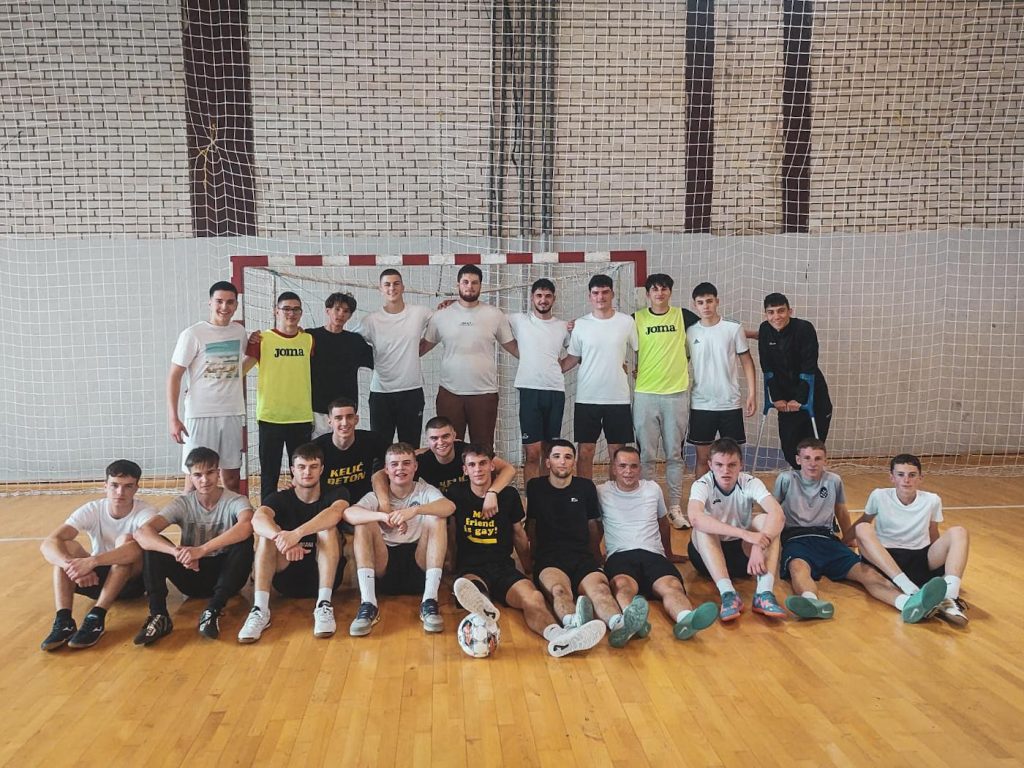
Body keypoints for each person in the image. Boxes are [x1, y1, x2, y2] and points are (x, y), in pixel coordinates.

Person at [448, 444, 607, 657]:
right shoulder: (456, 493)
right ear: (465, 470)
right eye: (472, 465)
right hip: (472, 567)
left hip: (503, 566)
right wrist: (450, 565)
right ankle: (483, 604)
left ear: (492, 466)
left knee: (534, 597)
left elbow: (519, 535)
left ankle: (559, 636)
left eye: (483, 463)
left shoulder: (508, 495)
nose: (478, 469)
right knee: (474, 591)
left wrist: (528, 568)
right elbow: (451, 533)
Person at [775, 440, 947, 624]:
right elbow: (773, 511)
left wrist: (847, 539)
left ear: (826, 460)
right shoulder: (786, 479)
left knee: (868, 573)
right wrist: (771, 544)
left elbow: (841, 511)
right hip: (796, 538)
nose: (812, 463)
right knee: (798, 568)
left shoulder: (834, 480)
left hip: (827, 538)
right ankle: (811, 601)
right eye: (807, 458)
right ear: (798, 460)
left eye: (818, 458)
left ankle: (906, 603)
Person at [526, 440, 645, 646]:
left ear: (574, 462)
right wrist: (533, 558)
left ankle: (619, 625)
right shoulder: (536, 487)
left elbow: (593, 525)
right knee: (559, 591)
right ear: (547, 462)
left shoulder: (585, 487)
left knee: (601, 590)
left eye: (568, 457)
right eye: (556, 457)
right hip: (550, 559)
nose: (562, 462)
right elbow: (532, 525)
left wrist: (596, 556)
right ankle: (573, 626)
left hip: (582, 556)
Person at [598, 446, 719, 644]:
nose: (628, 471)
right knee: (622, 586)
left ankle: (686, 619)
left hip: (653, 554)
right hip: (621, 555)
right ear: (614, 468)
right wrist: (596, 556)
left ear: (640, 468)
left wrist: (668, 553)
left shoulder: (652, 489)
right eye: (622, 466)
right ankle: (631, 621)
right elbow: (594, 525)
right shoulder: (602, 491)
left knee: (672, 586)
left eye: (633, 466)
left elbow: (663, 522)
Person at [133, 448, 254, 645]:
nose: (204, 480)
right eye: (198, 475)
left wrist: (201, 550)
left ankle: (213, 610)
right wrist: (177, 552)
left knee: (244, 541)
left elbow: (246, 526)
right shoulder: (183, 503)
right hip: (191, 573)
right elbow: (142, 533)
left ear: (218, 472)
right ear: (190, 477)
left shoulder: (235, 500)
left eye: (210, 473)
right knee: (153, 546)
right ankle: (159, 615)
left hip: (226, 575)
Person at [237, 443, 352, 643]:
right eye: (301, 467)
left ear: (321, 469)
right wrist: (281, 539)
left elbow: (335, 513)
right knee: (266, 536)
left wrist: (297, 534)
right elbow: (258, 518)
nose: (307, 472)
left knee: (328, 529)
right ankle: (260, 609)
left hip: (323, 574)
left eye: (313, 467)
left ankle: (324, 605)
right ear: (292, 470)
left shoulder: (337, 492)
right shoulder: (280, 498)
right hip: (287, 573)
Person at [39, 460, 157, 651]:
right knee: (66, 547)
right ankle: (64, 621)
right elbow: (49, 543)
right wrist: (72, 566)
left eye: (128, 486)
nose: (120, 492)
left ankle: (97, 617)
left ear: (136, 488)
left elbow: (136, 551)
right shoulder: (93, 509)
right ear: (105, 486)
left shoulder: (146, 512)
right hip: (92, 578)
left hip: (130, 583)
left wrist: (92, 562)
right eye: (115, 485)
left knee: (125, 543)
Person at [346, 443, 455, 636]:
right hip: (384, 566)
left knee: (437, 517)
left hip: (419, 563)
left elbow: (449, 506)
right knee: (363, 522)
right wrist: (382, 516)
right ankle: (368, 604)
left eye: (406, 463)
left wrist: (415, 510)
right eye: (394, 464)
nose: (400, 469)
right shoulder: (376, 496)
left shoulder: (424, 490)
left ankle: (430, 600)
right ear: (386, 470)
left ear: (415, 466)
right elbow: (349, 514)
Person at [853, 454, 970, 626]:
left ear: (920, 478)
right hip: (886, 558)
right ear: (892, 477)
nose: (906, 480)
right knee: (862, 528)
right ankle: (909, 588)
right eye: (900, 474)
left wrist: (943, 565)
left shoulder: (932, 500)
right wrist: (843, 542)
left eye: (912, 475)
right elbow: (864, 520)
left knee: (959, 532)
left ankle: (950, 597)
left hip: (919, 557)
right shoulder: (879, 495)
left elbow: (933, 533)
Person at [686, 438, 787, 621]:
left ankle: (764, 594)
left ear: (741, 465)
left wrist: (759, 544)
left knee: (766, 520)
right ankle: (728, 594)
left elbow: (778, 514)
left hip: (743, 556)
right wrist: (746, 534)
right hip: (706, 557)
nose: (725, 470)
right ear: (710, 465)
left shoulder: (749, 482)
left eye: (732, 465)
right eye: (719, 465)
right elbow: (695, 518)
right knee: (702, 527)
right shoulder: (702, 484)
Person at [420, 264, 517, 451]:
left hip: (484, 393)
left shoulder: (495, 315)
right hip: (450, 393)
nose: (470, 286)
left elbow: (513, 347)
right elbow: (423, 347)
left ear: (481, 285)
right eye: (465, 282)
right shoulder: (441, 316)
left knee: (483, 449)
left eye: (474, 282)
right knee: (449, 449)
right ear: (458, 285)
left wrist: (542, 359)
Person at [167, 280, 251, 493]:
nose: (224, 307)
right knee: (195, 479)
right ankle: (191, 516)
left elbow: (236, 368)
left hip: (231, 414)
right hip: (200, 415)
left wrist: (257, 347)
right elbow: (174, 376)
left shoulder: (239, 331)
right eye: (219, 301)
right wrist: (174, 418)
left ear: (236, 305)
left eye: (230, 302)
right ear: (210, 303)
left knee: (232, 479)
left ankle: (232, 516)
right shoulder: (193, 334)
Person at [633, 273, 699, 540]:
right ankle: (649, 506)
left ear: (670, 292)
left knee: (674, 454)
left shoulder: (684, 316)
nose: (659, 293)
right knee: (646, 456)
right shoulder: (636, 319)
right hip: (645, 395)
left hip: (676, 395)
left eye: (664, 289)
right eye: (655, 289)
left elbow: (711, 328)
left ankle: (673, 507)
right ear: (648, 293)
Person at [561, 274, 638, 480]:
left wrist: (638, 370)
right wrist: (547, 369)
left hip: (618, 398)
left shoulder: (627, 322)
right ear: (590, 296)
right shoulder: (580, 325)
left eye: (605, 292)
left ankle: (616, 493)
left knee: (617, 452)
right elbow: (572, 358)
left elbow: (640, 351)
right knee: (585, 451)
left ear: (612, 294)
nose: (600, 297)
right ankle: (586, 495)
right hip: (587, 398)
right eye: (596, 293)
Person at [247, 291, 315, 502]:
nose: (291, 313)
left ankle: (300, 512)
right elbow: (241, 369)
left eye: (296, 309)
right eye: (286, 308)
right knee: (270, 474)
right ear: (276, 311)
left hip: (301, 417)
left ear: (301, 313)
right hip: (271, 417)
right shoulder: (261, 339)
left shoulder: (308, 340)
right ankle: (268, 513)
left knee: (302, 473)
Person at [686, 282, 757, 479]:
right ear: (695, 305)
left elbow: (747, 362)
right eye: (701, 302)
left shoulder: (733, 328)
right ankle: (702, 496)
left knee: (732, 459)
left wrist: (752, 394)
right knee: (703, 459)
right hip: (701, 404)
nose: (706, 306)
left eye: (709, 301)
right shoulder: (690, 332)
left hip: (729, 403)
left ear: (717, 301)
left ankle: (735, 496)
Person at [355, 269, 433, 446]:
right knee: (380, 449)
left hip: (411, 391)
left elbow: (442, 323)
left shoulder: (420, 313)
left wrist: (426, 345)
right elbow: (348, 341)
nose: (392, 288)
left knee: (410, 447)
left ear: (403, 287)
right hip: (381, 393)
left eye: (396, 283)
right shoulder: (371, 320)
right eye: (387, 284)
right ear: (380, 289)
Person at [757, 292, 833, 469]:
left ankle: (812, 483)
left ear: (790, 311)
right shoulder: (765, 330)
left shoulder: (804, 328)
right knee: (790, 452)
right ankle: (799, 480)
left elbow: (809, 366)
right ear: (765, 314)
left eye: (781, 311)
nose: (776, 316)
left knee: (811, 452)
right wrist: (776, 397)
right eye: (771, 312)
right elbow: (767, 367)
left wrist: (799, 399)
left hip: (813, 396)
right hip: (785, 399)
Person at [507, 278, 571, 483]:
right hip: (529, 391)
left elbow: (577, 352)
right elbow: (488, 316)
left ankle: (547, 495)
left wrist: (560, 367)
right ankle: (531, 497)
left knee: (549, 452)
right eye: (539, 296)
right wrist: (456, 303)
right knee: (532, 453)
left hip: (555, 392)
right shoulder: (518, 320)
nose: (543, 300)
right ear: (532, 298)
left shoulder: (563, 326)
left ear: (554, 298)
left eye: (548, 296)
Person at [309, 292, 374, 438]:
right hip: (317, 407)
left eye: (346, 311)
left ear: (350, 315)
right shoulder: (311, 337)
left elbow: (379, 362)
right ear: (328, 310)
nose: (341, 314)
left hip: (346, 408)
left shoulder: (355, 341)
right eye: (337, 309)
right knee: (316, 449)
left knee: (344, 447)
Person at [313, 398, 387, 505]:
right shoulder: (316, 447)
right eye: (338, 418)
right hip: (329, 505)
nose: (344, 423)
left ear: (356, 419)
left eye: (349, 417)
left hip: (363, 503)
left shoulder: (372, 440)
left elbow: (397, 457)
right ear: (330, 421)